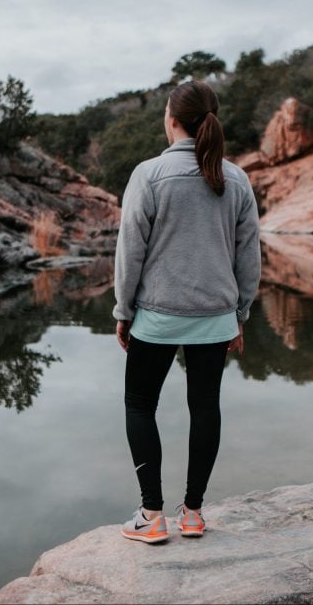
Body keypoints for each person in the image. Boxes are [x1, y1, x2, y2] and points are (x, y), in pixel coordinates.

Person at [112, 79, 261, 544]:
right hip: (215, 316)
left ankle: (151, 516)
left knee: (140, 404)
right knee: (205, 408)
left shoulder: (148, 174)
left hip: (156, 314)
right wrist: (240, 314)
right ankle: (193, 514)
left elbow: (130, 250)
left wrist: (123, 310)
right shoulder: (236, 178)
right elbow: (249, 254)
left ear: (172, 119)